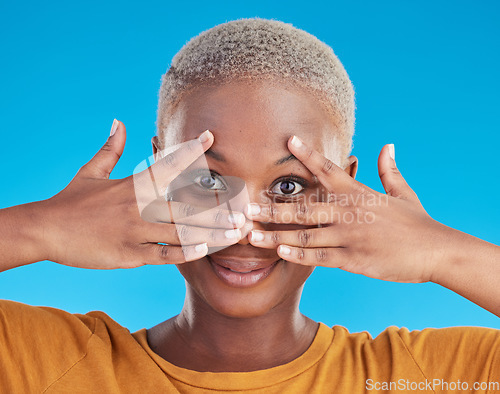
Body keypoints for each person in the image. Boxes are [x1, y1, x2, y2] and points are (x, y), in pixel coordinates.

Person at [0, 18, 499, 393]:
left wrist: (443, 254)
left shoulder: (426, 377)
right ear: (157, 174)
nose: (242, 224)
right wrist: (42, 228)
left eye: (287, 187)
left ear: (344, 188)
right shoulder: (42, 363)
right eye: (209, 178)